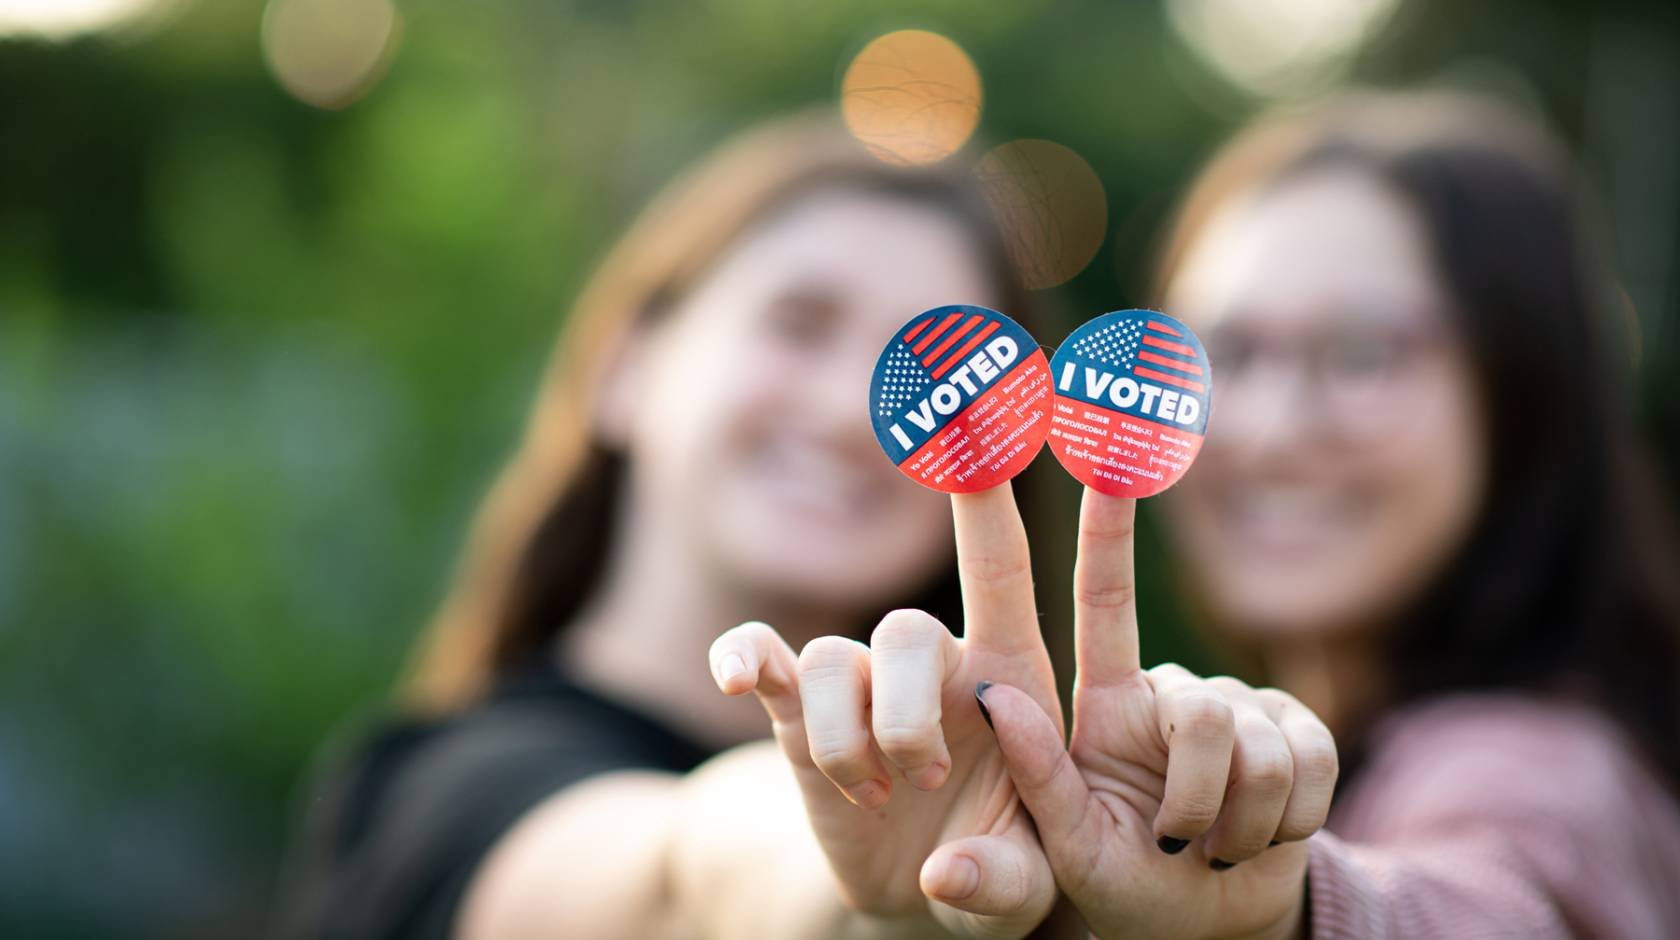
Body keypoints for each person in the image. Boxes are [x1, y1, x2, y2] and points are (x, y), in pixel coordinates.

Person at [718, 90, 1680, 938]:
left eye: (1360, 353)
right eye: (1223, 353)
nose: (1265, 428)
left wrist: (1295, 916)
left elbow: (1508, 901)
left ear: (1524, 396)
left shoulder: (1556, 772)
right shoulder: (1312, 754)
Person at [278, 112, 1081, 939]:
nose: (851, 410)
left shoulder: (1026, 835)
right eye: (798, 325)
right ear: (624, 364)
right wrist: (847, 876)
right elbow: (686, 872)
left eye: (935, 371)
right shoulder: (442, 793)